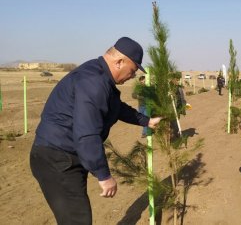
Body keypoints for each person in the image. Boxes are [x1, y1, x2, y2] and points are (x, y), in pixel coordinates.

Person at [29, 37, 162, 224]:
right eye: (132, 70)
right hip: (57, 158)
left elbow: (117, 107)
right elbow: (87, 132)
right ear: (119, 62)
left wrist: (146, 121)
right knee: (77, 219)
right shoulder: (94, 82)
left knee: (75, 215)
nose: (132, 76)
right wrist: (104, 175)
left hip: (65, 155)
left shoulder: (99, 75)